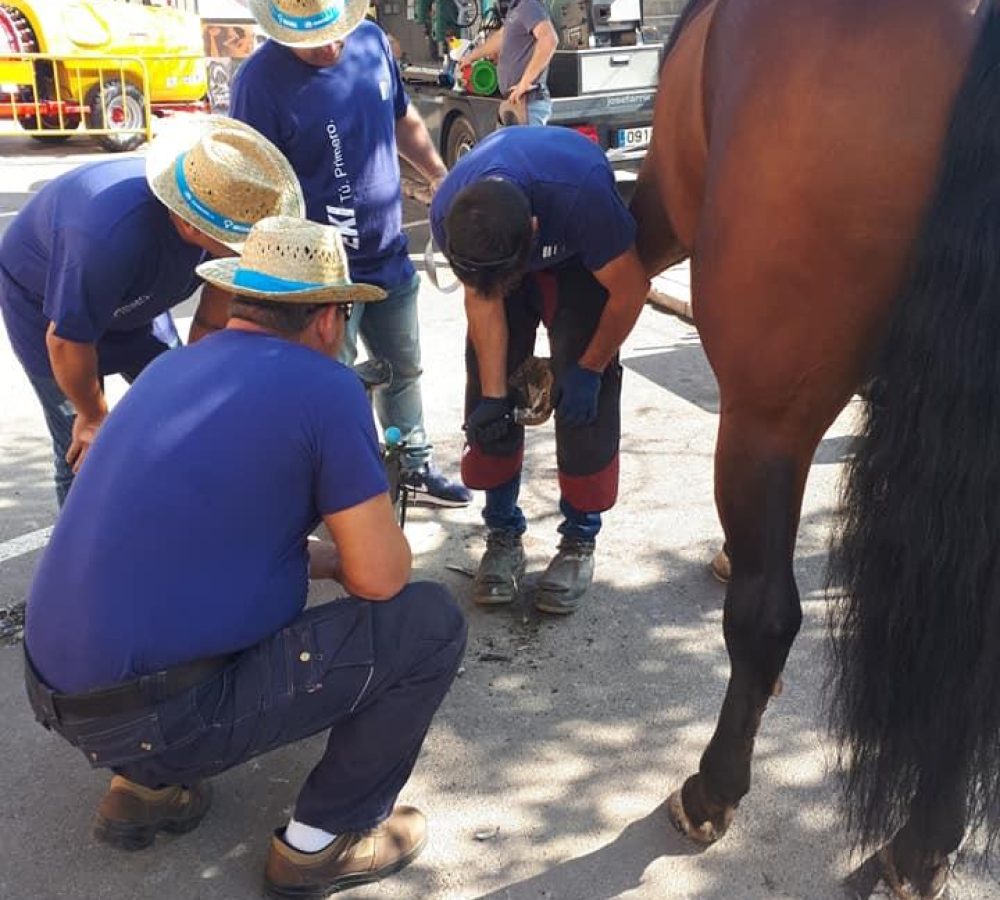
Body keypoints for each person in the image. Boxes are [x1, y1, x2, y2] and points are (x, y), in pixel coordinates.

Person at [23, 216, 467, 899]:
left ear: (239, 300)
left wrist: (319, 558)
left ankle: (144, 787)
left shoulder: (170, 369)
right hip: (158, 717)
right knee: (429, 622)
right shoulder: (328, 388)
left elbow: (187, 533)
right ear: (329, 318)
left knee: (174, 600)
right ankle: (322, 841)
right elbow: (382, 579)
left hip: (54, 689)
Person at [230, 0, 471, 508]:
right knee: (327, 387)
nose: (332, 46)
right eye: (315, 39)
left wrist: (438, 176)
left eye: (336, 31)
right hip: (319, 275)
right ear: (285, 30)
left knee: (403, 369)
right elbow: (253, 183)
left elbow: (401, 119)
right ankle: (329, 490)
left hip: (387, 253)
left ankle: (412, 462)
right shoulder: (259, 82)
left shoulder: (371, 42)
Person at [0, 116, 304, 506]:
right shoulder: (108, 237)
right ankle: (81, 541)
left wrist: (199, 389)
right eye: (237, 244)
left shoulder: (221, 214)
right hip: (48, 311)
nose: (244, 252)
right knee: (85, 450)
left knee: (183, 408)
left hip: (137, 305)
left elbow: (211, 320)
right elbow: (66, 340)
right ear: (192, 226)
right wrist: (92, 415)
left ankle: (170, 510)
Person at [430, 126, 650, 614]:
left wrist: (590, 368)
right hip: (502, 253)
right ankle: (502, 534)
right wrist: (493, 397)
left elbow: (631, 288)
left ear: (534, 229)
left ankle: (578, 541)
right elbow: (482, 300)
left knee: (586, 401)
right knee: (489, 398)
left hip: (577, 259)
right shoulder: (453, 214)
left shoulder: (583, 196)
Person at [462, 0, 559, 126]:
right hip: (512, 102)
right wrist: (471, 57)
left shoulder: (529, 5)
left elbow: (549, 39)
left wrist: (525, 83)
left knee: (525, 139)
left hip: (527, 103)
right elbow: (501, 37)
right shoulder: (515, 9)